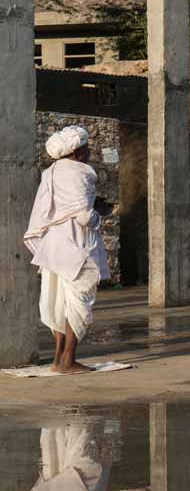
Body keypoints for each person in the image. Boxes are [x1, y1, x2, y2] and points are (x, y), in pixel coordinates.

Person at [24, 126, 111, 374]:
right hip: (77, 244)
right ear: (77, 151)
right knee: (80, 303)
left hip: (54, 245)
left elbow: (61, 207)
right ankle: (68, 360)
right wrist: (100, 215)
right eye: (86, 146)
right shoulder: (80, 172)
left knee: (60, 303)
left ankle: (57, 359)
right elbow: (83, 216)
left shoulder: (51, 171)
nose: (89, 150)